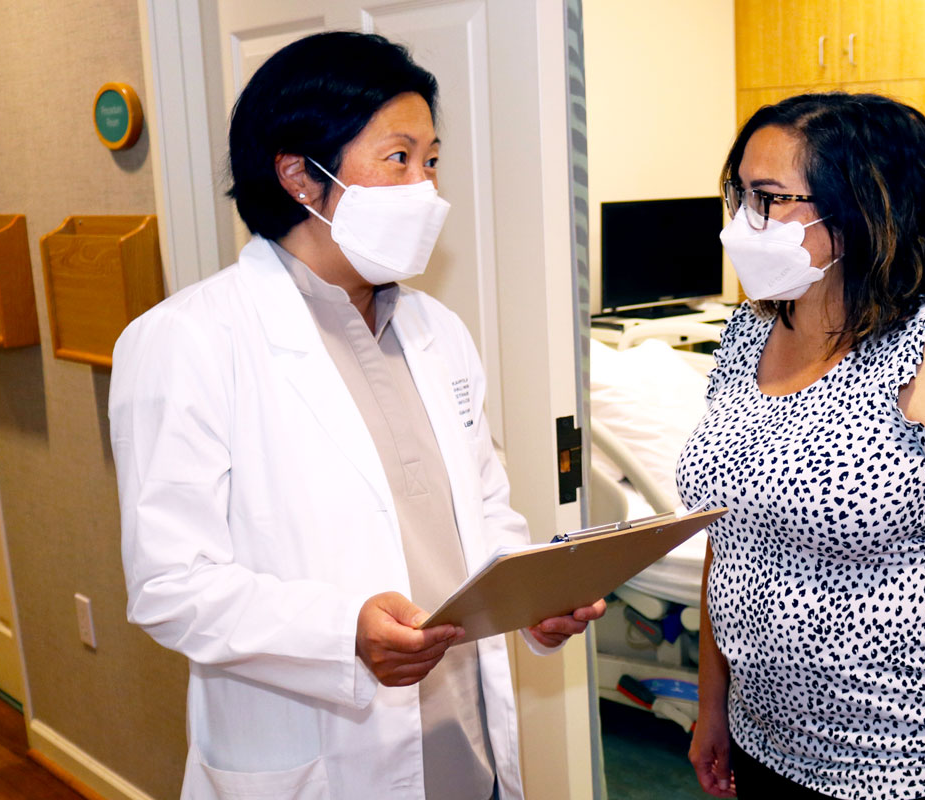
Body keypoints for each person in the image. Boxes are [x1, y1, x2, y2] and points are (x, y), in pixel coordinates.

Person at [109, 31, 603, 800]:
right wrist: (342, 631)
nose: (427, 188)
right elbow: (170, 584)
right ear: (302, 176)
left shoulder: (437, 330)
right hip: (324, 755)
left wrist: (533, 604)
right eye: (398, 158)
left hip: (465, 735)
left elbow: (482, 512)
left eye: (432, 160)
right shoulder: (187, 341)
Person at [680, 93, 925, 800]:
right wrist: (713, 706)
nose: (741, 223)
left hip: (915, 762)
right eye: (739, 195)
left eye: (769, 199)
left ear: (862, 210)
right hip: (768, 741)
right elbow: (727, 540)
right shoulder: (743, 338)